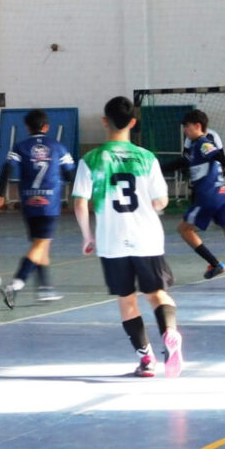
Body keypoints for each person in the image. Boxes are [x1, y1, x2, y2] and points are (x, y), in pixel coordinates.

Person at [72, 96, 183, 378]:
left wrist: (87, 236)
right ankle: (169, 333)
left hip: (112, 240)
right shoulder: (147, 158)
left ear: (104, 122)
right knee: (158, 294)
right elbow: (161, 201)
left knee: (126, 299)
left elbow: (80, 203)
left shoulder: (91, 160)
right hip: (146, 237)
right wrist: (152, 204)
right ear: (133, 123)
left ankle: (146, 359)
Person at [0, 109, 76, 307]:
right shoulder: (57, 147)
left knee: (41, 246)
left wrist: (1, 196)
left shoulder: (21, 146)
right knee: (39, 246)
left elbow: (7, 168)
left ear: (27, 127)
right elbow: (70, 173)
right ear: (46, 127)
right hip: (49, 204)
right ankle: (15, 284)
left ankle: (45, 289)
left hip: (29, 203)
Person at [163, 109, 225, 287]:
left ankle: (215, 264)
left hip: (209, 195)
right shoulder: (194, 149)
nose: (185, 130)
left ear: (198, 126)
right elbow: (181, 162)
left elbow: (221, 156)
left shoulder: (202, 143)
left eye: (187, 127)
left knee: (184, 230)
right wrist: (156, 166)